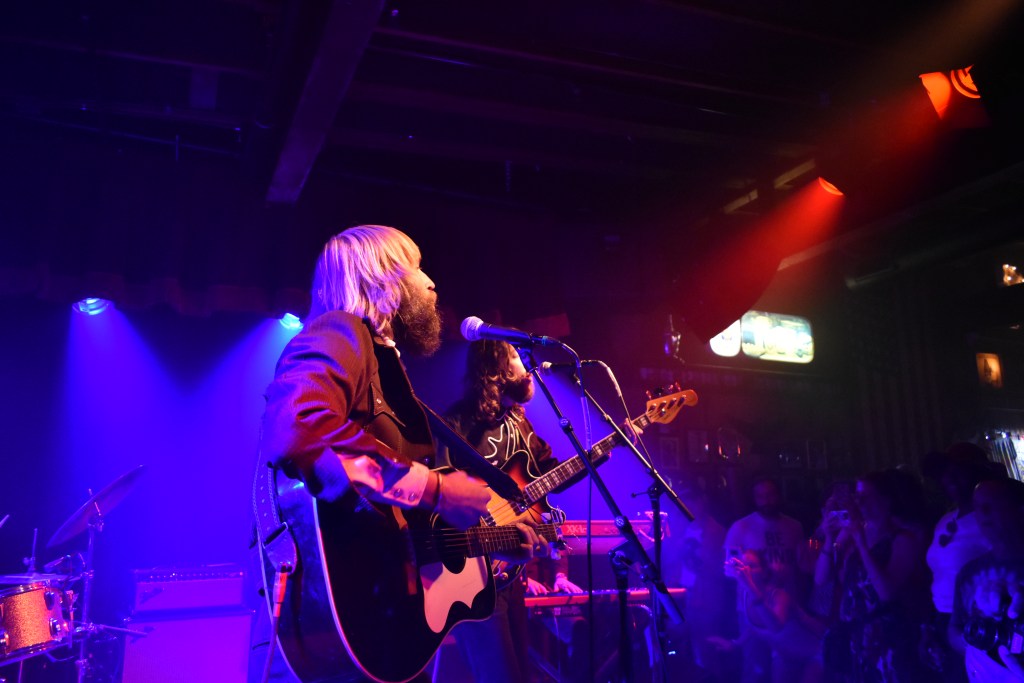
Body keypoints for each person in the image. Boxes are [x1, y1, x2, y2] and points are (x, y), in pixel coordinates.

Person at [252, 225, 545, 683]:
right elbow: (295, 426)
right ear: (382, 278)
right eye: (417, 265)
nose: (431, 281)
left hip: (387, 622)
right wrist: (433, 487)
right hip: (344, 610)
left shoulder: (384, 364)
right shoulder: (341, 332)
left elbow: (413, 531)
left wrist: (500, 542)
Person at [442, 339, 582, 683]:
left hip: (510, 573)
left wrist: (608, 448)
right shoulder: (456, 422)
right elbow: (440, 493)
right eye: (517, 357)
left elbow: (550, 476)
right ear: (495, 370)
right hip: (472, 575)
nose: (526, 365)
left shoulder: (520, 423)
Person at [723, 477, 807, 683]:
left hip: (788, 607)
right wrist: (762, 572)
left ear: (779, 496)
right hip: (751, 609)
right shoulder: (741, 527)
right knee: (755, 668)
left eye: (770, 495)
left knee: (788, 669)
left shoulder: (794, 527)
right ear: (754, 499)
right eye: (761, 496)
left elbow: (804, 565)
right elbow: (727, 570)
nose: (766, 501)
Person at [923, 444, 995, 682]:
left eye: (959, 471)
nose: (950, 479)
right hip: (942, 618)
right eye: (945, 472)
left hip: (978, 619)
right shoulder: (946, 519)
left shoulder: (994, 516)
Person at [949, 478, 1024, 682]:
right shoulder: (969, 571)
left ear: (1019, 509)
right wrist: (977, 638)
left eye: (991, 506)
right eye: (978, 508)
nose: (983, 515)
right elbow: (954, 628)